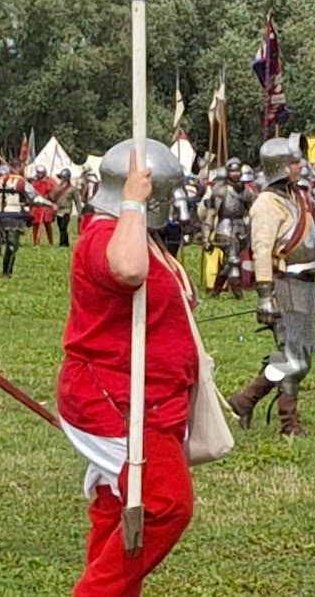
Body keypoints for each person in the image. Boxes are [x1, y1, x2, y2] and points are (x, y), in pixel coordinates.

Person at [56, 139, 196, 595]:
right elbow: (128, 271)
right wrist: (134, 200)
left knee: (117, 502)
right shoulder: (105, 235)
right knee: (166, 502)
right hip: (115, 397)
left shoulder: (142, 234)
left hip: (151, 397)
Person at [227, 134, 315, 437]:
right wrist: (265, 296)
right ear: (280, 166)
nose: (300, 166)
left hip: (302, 284)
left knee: (299, 355)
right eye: (294, 162)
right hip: (284, 285)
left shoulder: (294, 197)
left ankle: (246, 399)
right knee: (294, 355)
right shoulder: (267, 204)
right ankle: (288, 423)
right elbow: (262, 250)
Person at [0, 164, 56, 277]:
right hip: (15, 216)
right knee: (12, 245)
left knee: (9, 242)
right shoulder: (20, 182)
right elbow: (35, 198)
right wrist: (50, 204)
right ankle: (6, 272)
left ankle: (5, 267)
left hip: (0, 216)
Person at [202, 159, 254, 298]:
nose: (236, 174)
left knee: (229, 262)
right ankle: (237, 292)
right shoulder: (220, 190)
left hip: (241, 228)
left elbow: (251, 213)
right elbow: (211, 214)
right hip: (224, 228)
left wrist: (250, 229)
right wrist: (206, 237)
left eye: (238, 171)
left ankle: (216, 290)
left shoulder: (246, 192)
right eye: (233, 171)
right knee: (233, 260)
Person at [50, 169, 81, 248]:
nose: (62, 179)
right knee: (60, 228)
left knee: (64, 227)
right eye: (61, 177)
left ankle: (62, 244)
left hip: (66, 210)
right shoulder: (57, 187)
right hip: (58, 210)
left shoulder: (72, 189)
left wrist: (79, 212)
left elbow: (77, 201)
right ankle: (65, 243)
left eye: (63, 177)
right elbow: (52, 197)